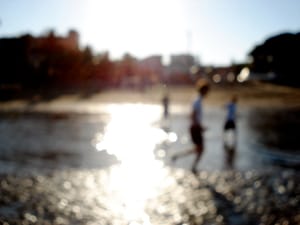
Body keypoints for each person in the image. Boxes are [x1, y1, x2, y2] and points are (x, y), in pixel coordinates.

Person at [172, 78, 210, 173]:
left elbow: (194, 116)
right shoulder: (197, 101)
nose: (208, 93)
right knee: (200, 149)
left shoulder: (198, 100)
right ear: (204, 90)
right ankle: (193, 167)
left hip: (195, 128)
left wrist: (200, 126)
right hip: (195, 128)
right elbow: (192, 115)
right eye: (207, 90)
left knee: (199, 149)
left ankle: (178, 157)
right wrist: (198, 126)